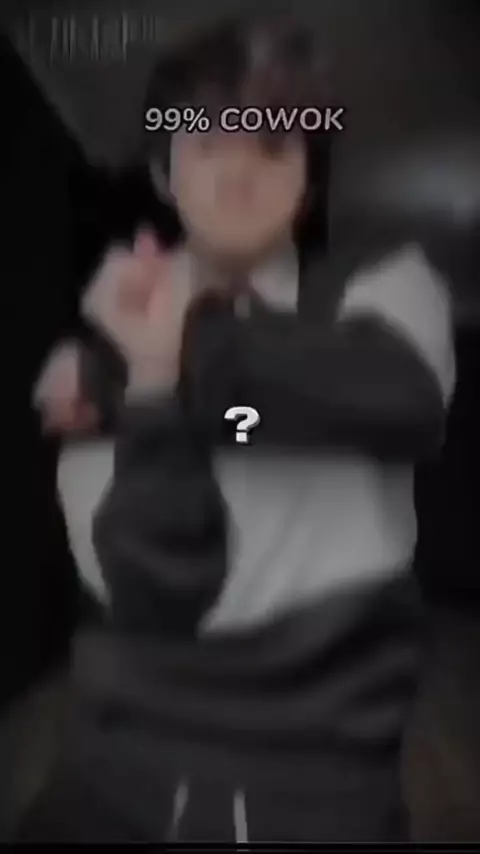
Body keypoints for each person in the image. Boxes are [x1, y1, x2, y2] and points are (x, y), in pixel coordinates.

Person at [22, 14, 456, 843]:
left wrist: (169, 364)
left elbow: (395, 399)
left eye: (274, 145)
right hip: (118, 771)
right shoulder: (103, 347)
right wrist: (155, 382)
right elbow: (152, 582)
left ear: (309, 180)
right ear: (163, 170)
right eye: (207, 142)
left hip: (323, 777)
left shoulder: (389, 289)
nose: (238, 173)